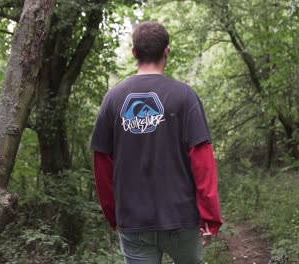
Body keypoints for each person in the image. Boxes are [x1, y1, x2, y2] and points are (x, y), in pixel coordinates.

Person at [90, 21, 222, 264]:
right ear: (166, 51)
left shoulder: (113, 99)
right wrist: (210, 217)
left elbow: (102, 165)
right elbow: (202, 161)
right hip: (182, 218)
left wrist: (113, 215)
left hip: (133, 221)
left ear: (134, 53)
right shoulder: (185, 97)